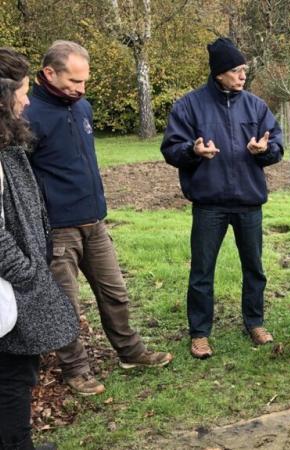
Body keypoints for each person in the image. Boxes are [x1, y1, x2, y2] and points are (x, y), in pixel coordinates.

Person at [25, 41, 172, 397]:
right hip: (58, 230)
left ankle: (130, 352)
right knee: (66, 305)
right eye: (74, 81)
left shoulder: (83, 108)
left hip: (94, 221)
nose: (81, 89)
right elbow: (23, 180)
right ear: (49, 74)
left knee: (115, 292)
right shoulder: (28, 117)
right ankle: (75, 369)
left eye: (85, 82)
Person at [161, 37, 283, 358]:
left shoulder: (256, 107)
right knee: (202, 271)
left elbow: (277, 145)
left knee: (254, 268)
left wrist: (265, 150)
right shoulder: (188, 106)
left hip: (248, 202)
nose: (242, 76)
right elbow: (171, 149)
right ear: (218, 73)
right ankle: (200, 333)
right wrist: (193, 150)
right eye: (235, 70)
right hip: (209, 204)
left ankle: (254, 322)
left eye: (244, 70)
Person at [0, 47, 78, 450]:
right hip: (9, 292)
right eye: (22, 91)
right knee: (13, 376)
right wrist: (28, 271)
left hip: (13, 286)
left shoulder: (6, 144)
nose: (27, 100)